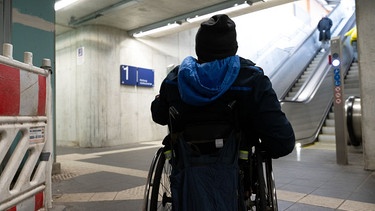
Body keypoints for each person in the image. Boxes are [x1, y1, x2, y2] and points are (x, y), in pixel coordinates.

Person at [151, 14, 295, 210]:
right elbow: (283, 142)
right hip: (237, 172)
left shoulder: (175, 80)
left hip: (187, 173)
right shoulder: (251, 79)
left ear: (198, 49)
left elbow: (159, 116)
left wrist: (160, 101)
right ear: (233, 47)